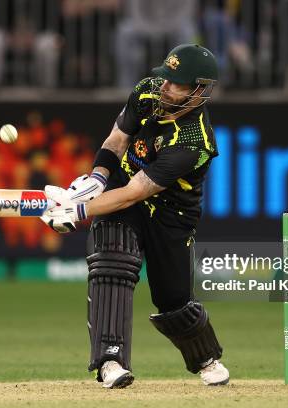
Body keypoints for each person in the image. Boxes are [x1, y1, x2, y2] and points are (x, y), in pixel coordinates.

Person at [41, 44, 229, 389]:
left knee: (174, 300)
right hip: (122, 190)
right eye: (166, 79)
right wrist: (96, 179)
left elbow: (137, 192)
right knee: (112, 262)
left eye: (177, 84)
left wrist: (76, 209)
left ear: (199, 92)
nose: (165, 88)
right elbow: (116, 141)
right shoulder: (146, 91)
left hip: (171, 214)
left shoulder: (194, 142)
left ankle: (205, 359)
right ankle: (110, 361)